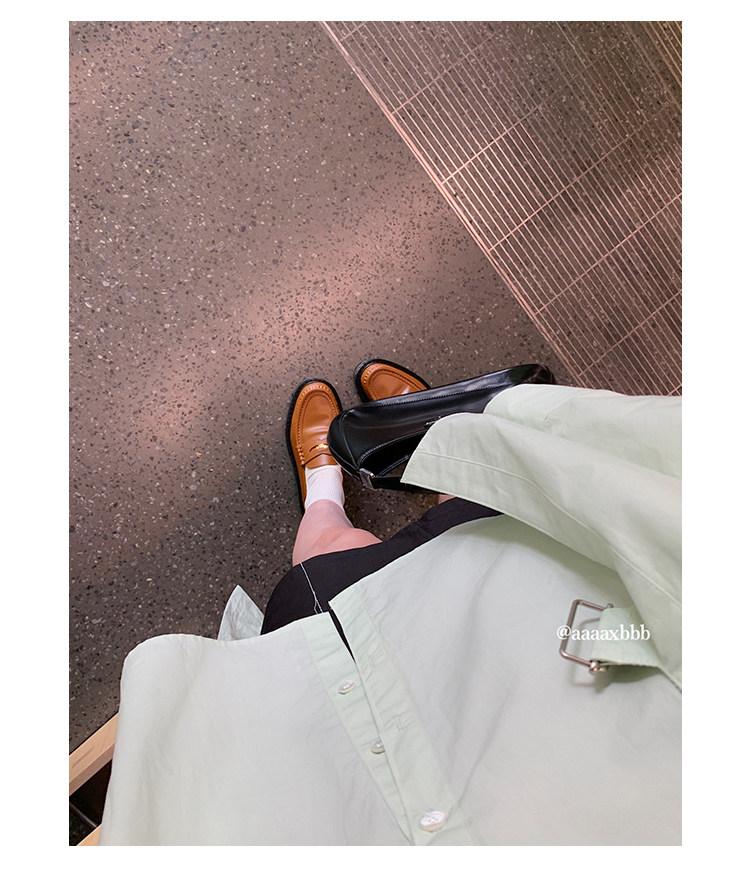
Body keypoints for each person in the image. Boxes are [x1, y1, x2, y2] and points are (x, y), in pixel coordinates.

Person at [99, 360, 681, 846]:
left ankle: (324, 484)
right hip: (575, 648)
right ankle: (435, 442)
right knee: (490, 512)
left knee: (333, 561)